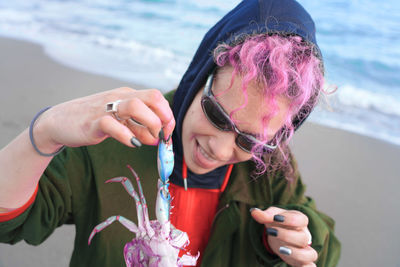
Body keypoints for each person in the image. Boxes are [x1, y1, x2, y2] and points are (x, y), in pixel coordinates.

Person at [0, 0, 341, 266]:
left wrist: (297, 237)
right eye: (217, 115)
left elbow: (324, 249)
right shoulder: (116, 134)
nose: (221, 151)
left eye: (250, 139)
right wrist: (44, 133)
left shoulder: (269, 169)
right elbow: (9, 222)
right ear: (200, 76)